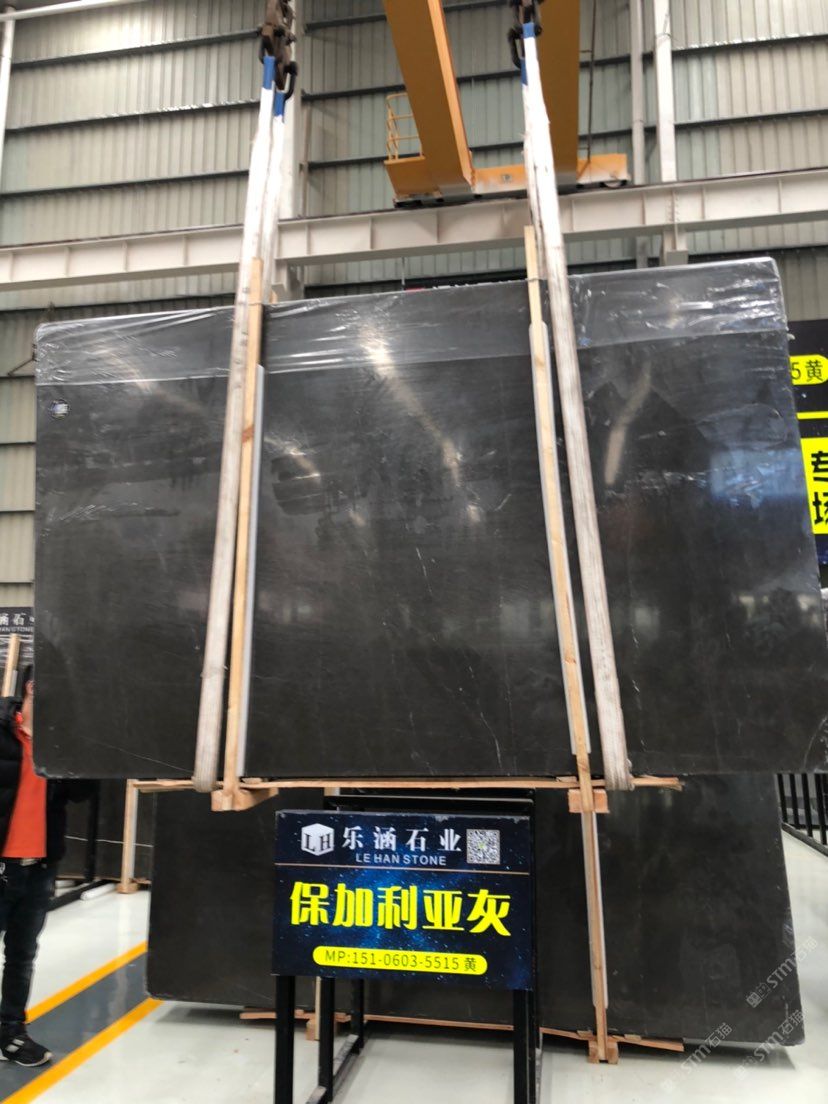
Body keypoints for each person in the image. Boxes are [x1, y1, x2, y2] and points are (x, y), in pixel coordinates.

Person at [0, 667, 91, 1067]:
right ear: (32, 688)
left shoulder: (59, 742)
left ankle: (11, 1034)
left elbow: (82, 793)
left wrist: (76, 747)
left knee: (22, 956)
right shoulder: (3, 731)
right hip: (2, 864)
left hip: (38, 867)